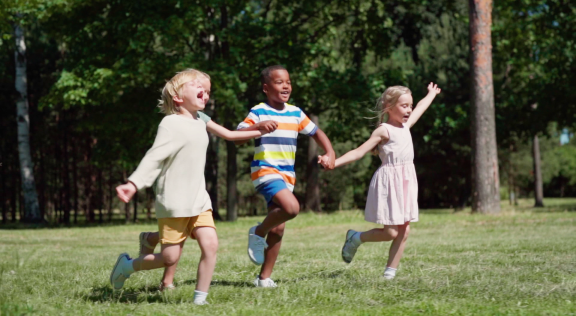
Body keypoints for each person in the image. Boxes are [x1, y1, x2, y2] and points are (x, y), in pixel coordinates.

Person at [109, 69, 271, 305]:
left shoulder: (201, 120)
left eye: (207, 92)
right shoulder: (170, 123)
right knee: (169, 257)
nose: (204, 94)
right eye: (198, 88)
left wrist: (260, 129)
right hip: (174, 202)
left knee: (211, 245)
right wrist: (134, 183)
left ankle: (200, 300)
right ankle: (127, 265)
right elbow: (154, 157)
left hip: (199, 199)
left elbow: (230, 135)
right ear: (177, 97)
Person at [327, 83, 441, 280]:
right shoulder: (384, 130)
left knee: (404, 231)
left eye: (410, 105)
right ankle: (356, 237)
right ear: (389, 106)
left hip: (406, 180)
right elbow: (359, 152)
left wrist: (431, 94)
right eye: (404, 106)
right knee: (390, 232)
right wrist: (334, 163)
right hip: (390, 183)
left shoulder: (406, 125)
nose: (409, 110)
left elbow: (422, 107)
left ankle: (389, 273)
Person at [236, 65, 336, 287]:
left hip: (287, 176)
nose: (286, 86)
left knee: (279, 226)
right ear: (266, 88)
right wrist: (259, 126)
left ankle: (264, 278)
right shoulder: (258, 111)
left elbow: (317, 132)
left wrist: (329, 152)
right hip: (265, 171)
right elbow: (238, 136)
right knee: (292, 208)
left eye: (288, 82)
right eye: (279, 82)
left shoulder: (295, 112)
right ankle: (258, 231)